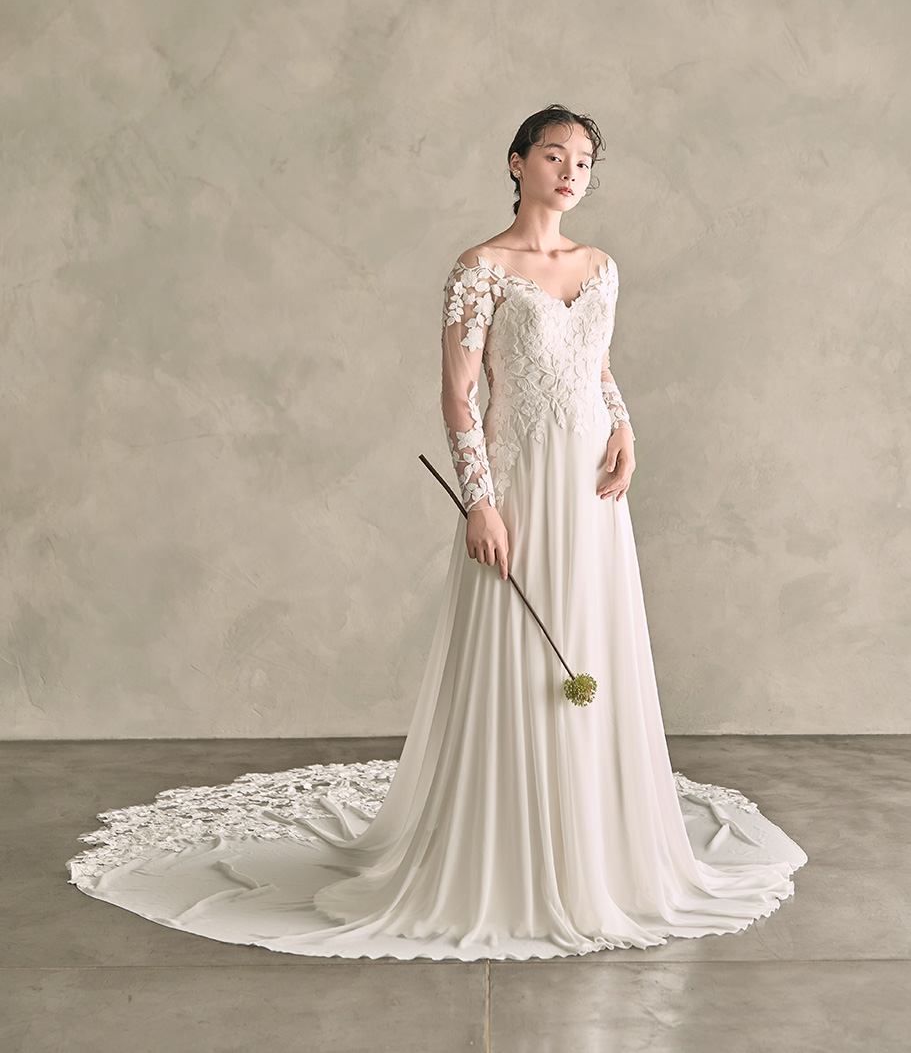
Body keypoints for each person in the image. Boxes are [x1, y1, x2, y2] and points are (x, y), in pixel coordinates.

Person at [67, 104, 807, 961]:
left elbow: (597, 368)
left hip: (592, 493)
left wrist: (626, 427)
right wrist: (480, 502)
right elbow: (459, 396)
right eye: (554, 155)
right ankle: (508, 853)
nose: (570, 173)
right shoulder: (479, 268)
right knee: (519, 657)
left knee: (591, 645)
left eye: (583, 162)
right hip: (522, 486)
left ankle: (599, 850)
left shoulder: (601, 267)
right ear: (516, 162)